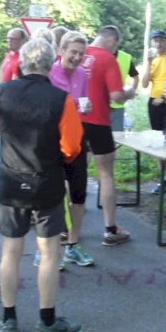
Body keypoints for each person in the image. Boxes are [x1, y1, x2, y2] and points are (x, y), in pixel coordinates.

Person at [0, 38, 85, 332]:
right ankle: (46, 321)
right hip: (47, 182)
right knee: (48, 253)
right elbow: (71, 146)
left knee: (10, 251)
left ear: (22, 62)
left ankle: (8, 320)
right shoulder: (61, 99)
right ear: (49, 64)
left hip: (11, 181)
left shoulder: (1, 92)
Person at [81, 25, 136, 245]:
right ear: (113, 40)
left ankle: (66, 227)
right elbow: (116, 96)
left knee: (73, 172)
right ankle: (110, 229)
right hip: (98, 121)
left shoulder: (76, 52)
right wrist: (129, 93)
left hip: (74, 121)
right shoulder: (107, 59)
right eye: (117, 45)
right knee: (105, 173)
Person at [46, 30, 94, 269]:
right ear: (61, 51)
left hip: (75, 139)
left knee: (78, 193)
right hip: (52, 141)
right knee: (52, 195)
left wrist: (86, 108)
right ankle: (45, 249)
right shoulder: (49, 73)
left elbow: (82, 104)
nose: (77, 57)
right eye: (73, 52)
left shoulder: (82, 74)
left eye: (81, 54)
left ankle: (73, 246)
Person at [141, 29, 166, 198]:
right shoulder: (152, 59)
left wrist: (165, 96)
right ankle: (163, 181)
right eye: (155, 41)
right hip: (153, 103)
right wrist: (148, 63)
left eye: (161, 40)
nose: (158, 44)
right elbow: (144, 84)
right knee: (159, 141)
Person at [110, 42, 140, 132]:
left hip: (117, 105)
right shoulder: (97, 55)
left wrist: (130, 93)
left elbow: (136, 78)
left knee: (116, 139)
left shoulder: (125, 58)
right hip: (99, 106)